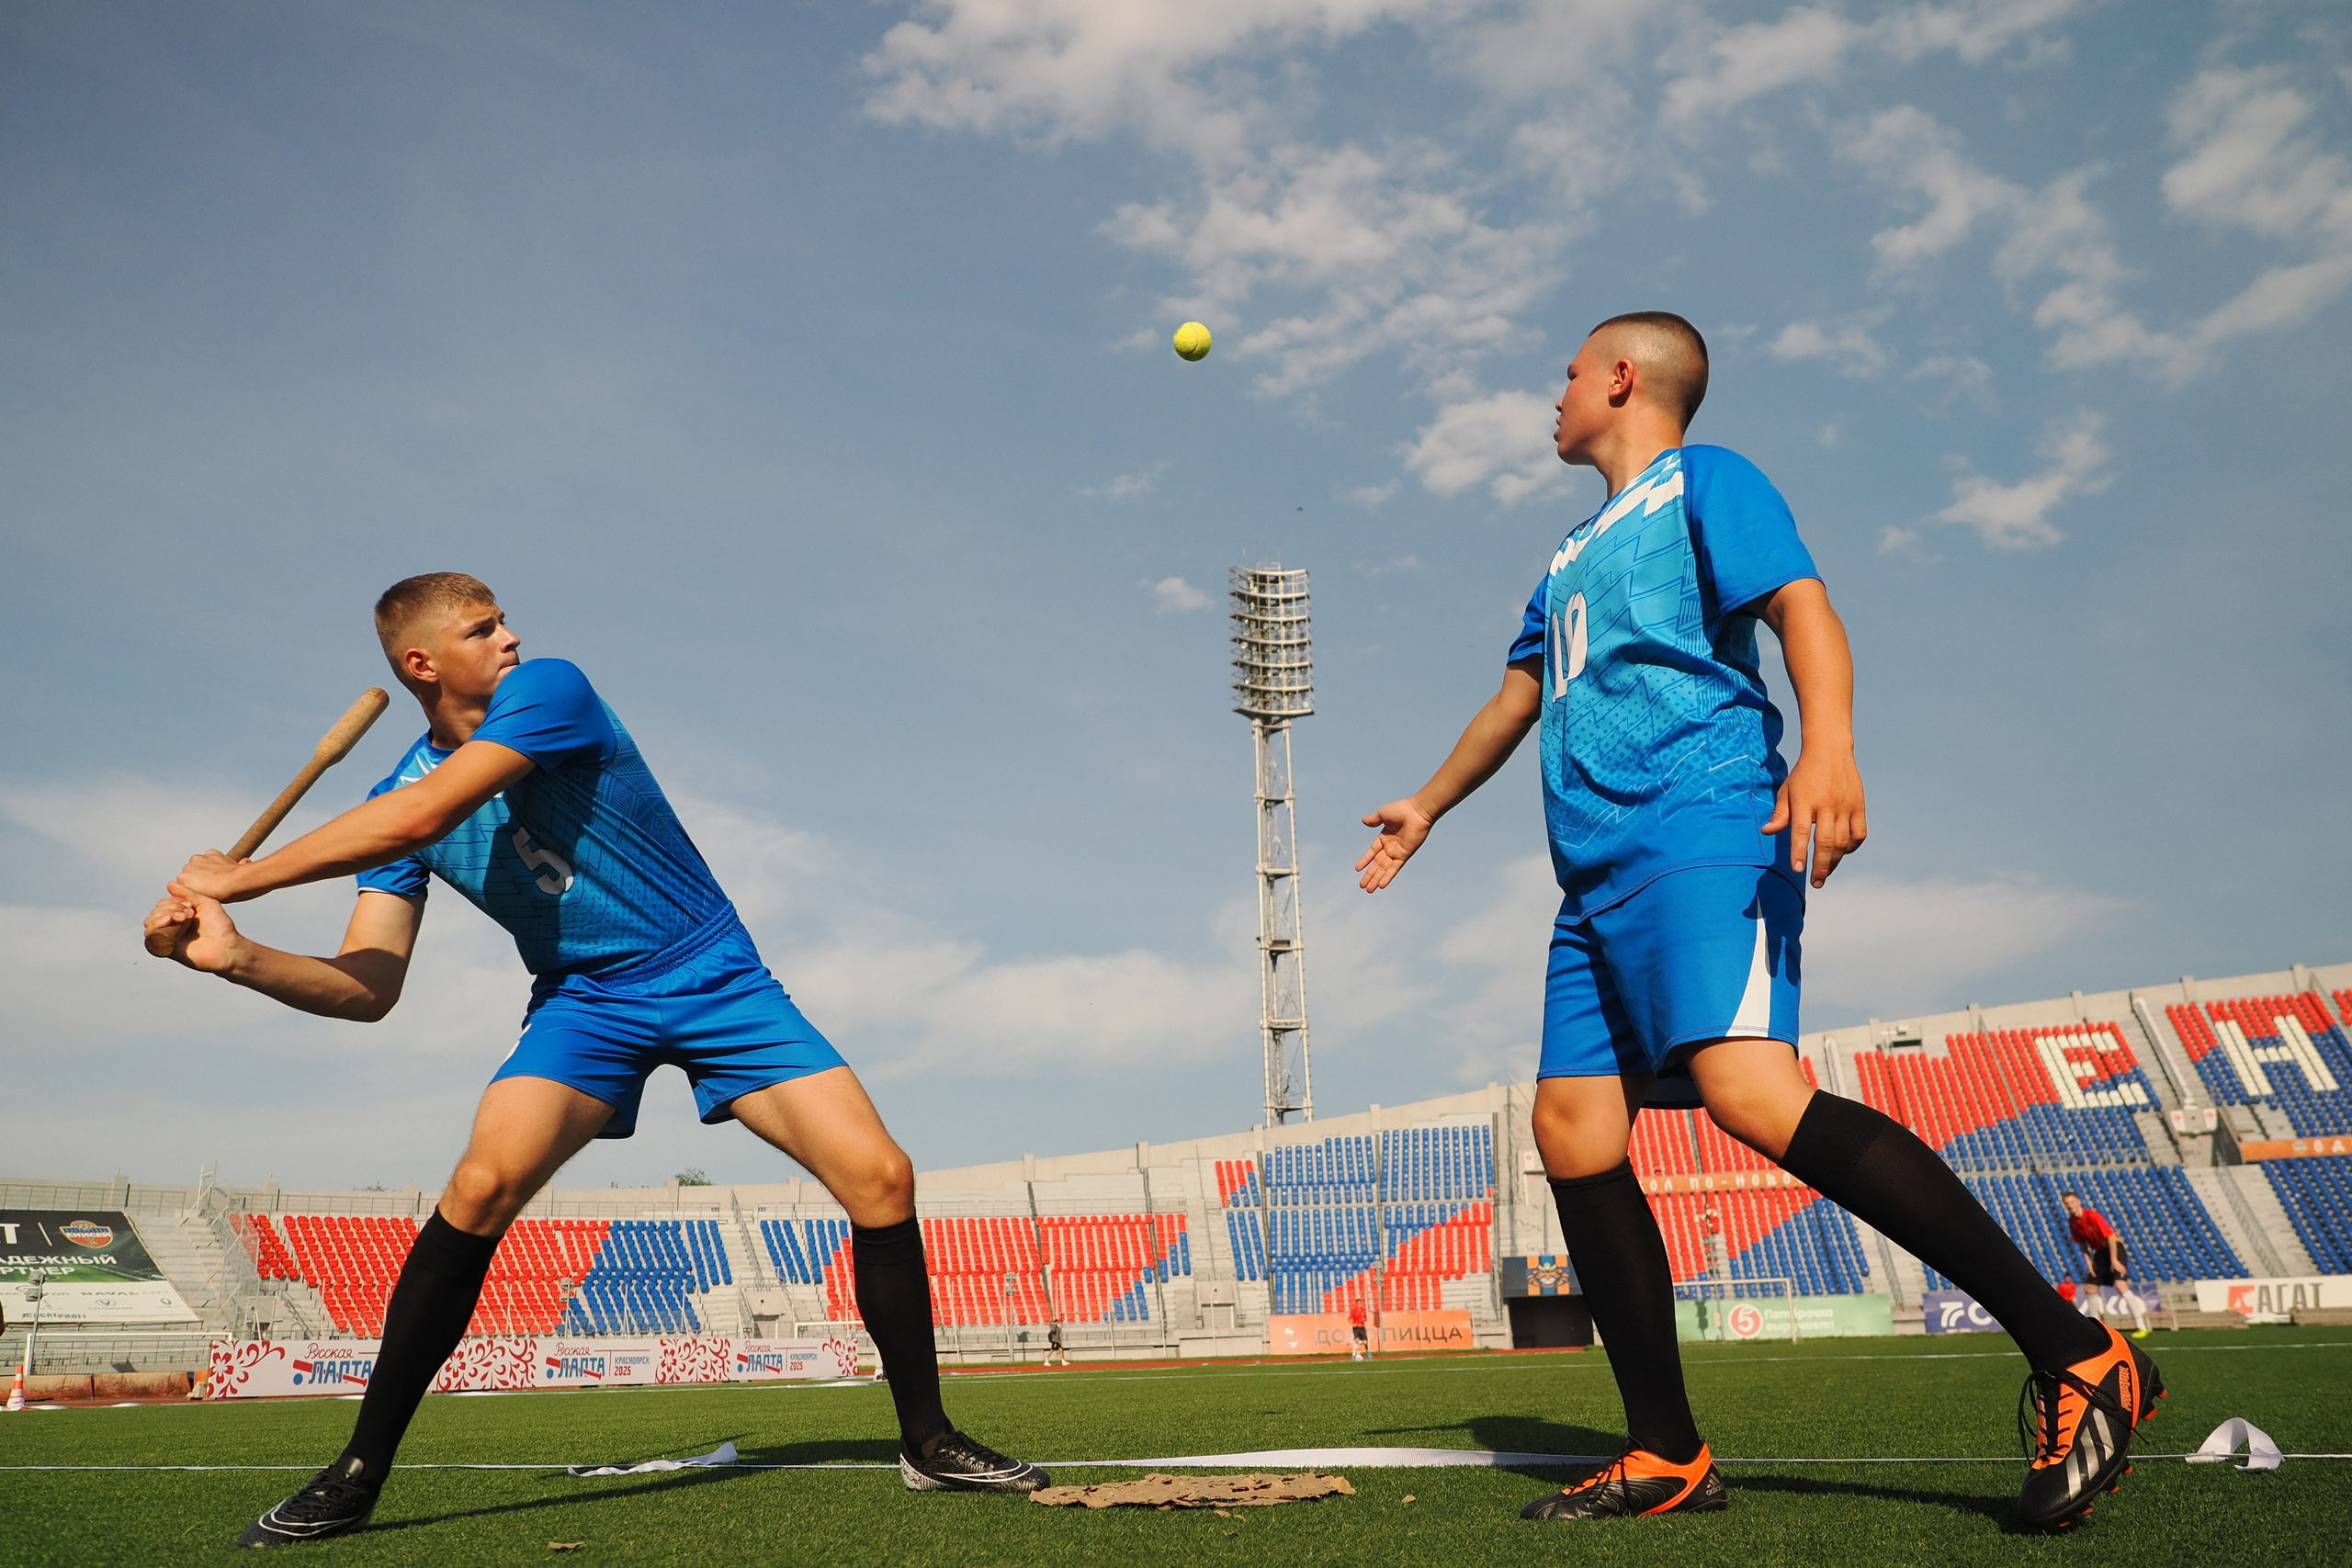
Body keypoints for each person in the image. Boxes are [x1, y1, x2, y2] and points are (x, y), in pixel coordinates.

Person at [1354, 314, 2160, 1530]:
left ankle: (2078, 1348)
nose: (1554, 392)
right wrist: (1426, 802)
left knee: (1750, 1091)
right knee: (1572, 1126)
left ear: (1622, 378)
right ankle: (1666, 1449)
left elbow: (1803, 608)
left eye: (1569, 371)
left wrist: (1828, 745)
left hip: (1703, 827)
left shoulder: (1708, 481)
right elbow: (1517, 694)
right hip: (1595, 880)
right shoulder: (1568, 554)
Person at [144, 574, 1047, 1548]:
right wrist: (236, 956)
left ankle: (927, 1438)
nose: (511, 636)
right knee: (481, 1186)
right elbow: (368, 986)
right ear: (422, 663)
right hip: (586, 1003)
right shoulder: (385, 799)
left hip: (713, 973)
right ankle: (357, 1471)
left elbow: (423, 817)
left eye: (502, 620)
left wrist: (245, 876)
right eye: (484, 628)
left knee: (881, 1177)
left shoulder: (551, 692)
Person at [2063, 1191, 2151, 1337]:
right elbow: (2082, 1244)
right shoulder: (2072, 1221)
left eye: (2072, 1202)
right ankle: (2096, 1328)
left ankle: (2142, 1326)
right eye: (2067, 1203)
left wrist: (2114, 1260)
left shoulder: (2092, 1215)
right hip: (2099, 1253)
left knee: (2120, 1285)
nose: (2070, 1205)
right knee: (2089, 1287)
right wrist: (2089, 1263)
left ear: (2078, 1201)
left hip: (2114, 1248)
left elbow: (2110, 1236)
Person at [1348, 1296, 1369, 1361]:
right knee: (1357, 1340)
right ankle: (1353, 1355)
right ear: (1356, 1304)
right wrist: (1353, 1324)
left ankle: (1367, 1351)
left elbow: (1365, 1318)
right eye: (1358, 1303)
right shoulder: (1354, 1311)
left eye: (1360, 1303)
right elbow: (1349, 1319)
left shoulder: (1363, 1310)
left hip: (1362, 1328)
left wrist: (1364, 1319)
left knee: (1365, 1342)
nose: (1359, 1304)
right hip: (1356, 1328)